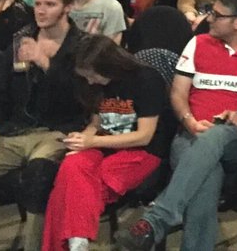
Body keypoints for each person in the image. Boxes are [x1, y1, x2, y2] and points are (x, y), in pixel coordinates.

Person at [117, 0, 237, 251]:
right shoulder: (198, 43)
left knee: (215, 134)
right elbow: (178, 93)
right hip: (190, 133)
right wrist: (188, 120)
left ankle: (157, 219)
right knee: (206, 181)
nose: (209, 19)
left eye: (217, 15)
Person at [0, 0, 85, 251]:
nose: (40, 10)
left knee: (38, 174)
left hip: (59, 131)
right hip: (15, 131)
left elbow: (83, 100)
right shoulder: (21, 41)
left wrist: (44, 63)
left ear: (68, 8)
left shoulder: (83, 46)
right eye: (38, 3)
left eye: (50, 4)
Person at [41, 35, 172, 251]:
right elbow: (96, 123)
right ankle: (77, 240)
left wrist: (92, 141)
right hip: (103, 143)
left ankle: (72, 242)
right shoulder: (94, 86)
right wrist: (83, 138)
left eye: (93, 75)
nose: (90, 81)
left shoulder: (146, 79)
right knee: (72, 165)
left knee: (69, 192)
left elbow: (144, 136)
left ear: (110, 66)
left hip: (141, 150)